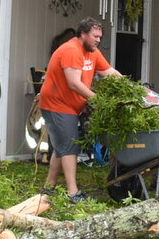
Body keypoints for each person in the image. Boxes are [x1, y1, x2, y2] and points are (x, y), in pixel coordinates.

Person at [37, 17, 122, 203]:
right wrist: (98, 100)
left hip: (70, 105)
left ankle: (48, 187)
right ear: (83, 34)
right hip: (56, 104)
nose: (98, 40)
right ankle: (73, 192)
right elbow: (74, 83)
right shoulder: (71, 50)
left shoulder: (92, 52)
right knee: (69, 146)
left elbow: (109, 72)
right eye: (95, 36)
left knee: (61, 146)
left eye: (100, 36)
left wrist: (128, 86)